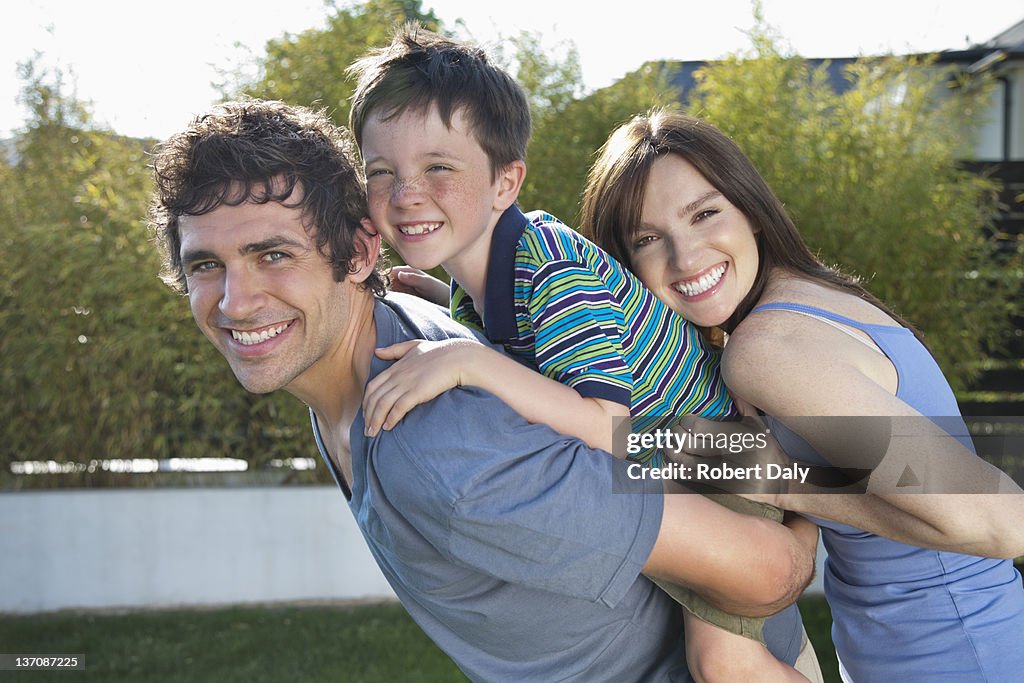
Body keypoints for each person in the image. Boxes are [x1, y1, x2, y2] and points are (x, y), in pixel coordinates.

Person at [147, 98, 819, 682]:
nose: (237, 302)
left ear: (357, 254)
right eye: (206, 264)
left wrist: (814, 486)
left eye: (273, 255)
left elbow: (769, 571)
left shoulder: (452, 454)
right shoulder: (389, 339)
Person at [346, 25, 813, 682]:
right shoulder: (472, 286)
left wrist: (468, 362)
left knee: (724, 664)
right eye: (381, 172)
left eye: (438, 168)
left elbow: (607, 427)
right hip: (678, 460)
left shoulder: (551, 268)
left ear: (505, 183)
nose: (404, 194)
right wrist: (422, 292)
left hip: (715, 451)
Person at [579, 107, 1024, 682]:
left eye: (704, 214)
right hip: (962, 636)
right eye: (647, 239)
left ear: (752, 213)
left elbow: (1005, 522)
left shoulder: (764, 351)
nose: (685, 257)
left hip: (948, 654)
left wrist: (785, 482)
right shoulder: (811, 297)